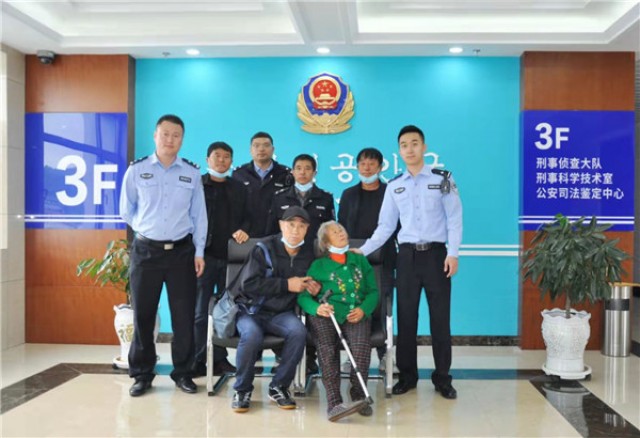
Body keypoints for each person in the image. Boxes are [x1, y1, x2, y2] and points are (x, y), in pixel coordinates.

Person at [357, 125, 462, 399]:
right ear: (399, 151)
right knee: (406, 320)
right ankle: (407, 377)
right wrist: (362, 251)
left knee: (440, 320)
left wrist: (453, 253)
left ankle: (443, 379)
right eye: (404, 145)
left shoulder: (443, 178)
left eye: (414, 143)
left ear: (423, 147)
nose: (410, 149)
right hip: (406, 258)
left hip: (437, 257)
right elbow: (385, 227)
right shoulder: (395, 185)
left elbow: (454, 218)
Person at [119, 114, 207, 397]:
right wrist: (147, 230)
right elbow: (126, 210)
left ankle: (183, 373)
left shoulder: (191, 173)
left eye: (176, 135)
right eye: (165, 134)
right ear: (155, 136)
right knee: (143, 315)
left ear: (182, 139)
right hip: (146, 253)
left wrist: (199, 251)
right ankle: (142, 374)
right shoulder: (137, 170)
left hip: (182, 253)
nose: (170, 139)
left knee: (183, 317)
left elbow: (199, 216)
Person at [231, 206, 321, 413]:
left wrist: (315, 288)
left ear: (307, 229)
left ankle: (279, 386)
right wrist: (286, 284)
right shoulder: (263, 248)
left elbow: (310, 284)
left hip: (281, 313)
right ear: (281, 225)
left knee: (298, 332)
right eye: (291, 225)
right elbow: (249, 285)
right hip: (251, 310)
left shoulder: (309, 253)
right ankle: (242, 390)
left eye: (301, 226)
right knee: (251, 335)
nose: (295, 230)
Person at [299, 221, 379, 422]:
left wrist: (363, 309)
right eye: (335, 232)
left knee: (361, 350)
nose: (341, 233)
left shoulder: (359, 260)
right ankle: (334, 402)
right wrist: (317, 308)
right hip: (327, 314)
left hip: (355, 313)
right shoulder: (318, 266)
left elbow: (373, 292)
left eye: (341, 230)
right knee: (327, 351)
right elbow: (303, 297)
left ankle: (359, 395)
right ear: (326, 243)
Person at [266, 153, 335, 373]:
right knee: (283, 305)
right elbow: (271, 230)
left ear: (314, 172)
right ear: (293, 171)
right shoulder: (279, 197)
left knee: (310, 305)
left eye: (307, 168)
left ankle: (309, 358)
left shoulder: (325, 198)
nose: (303, 172)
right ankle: (282, 356)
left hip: (314, 260)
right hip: (285, 258)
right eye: (298, 168)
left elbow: (330, 233)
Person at [192, 141, 250, 378]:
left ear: (231, 161)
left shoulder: (239, 188)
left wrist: (245, 230)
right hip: (203, 258)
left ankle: (219, 359)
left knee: (226, 311)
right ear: (208, 159)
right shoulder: (197, 185)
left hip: (231, 260)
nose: (221, 160)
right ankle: (198, 360)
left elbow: (249, 218)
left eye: (226, 157)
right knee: (200, 312)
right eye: (217, 156)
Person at [337, 147, 397, 372]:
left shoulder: (390, 192)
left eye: (372, 164)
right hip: (353, 259)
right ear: (357, 167)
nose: (367, 168)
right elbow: (341, 226)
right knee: (353, 304)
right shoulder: (348, 194)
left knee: (381, 306)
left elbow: (396, 226)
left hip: (383, 258)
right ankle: (352, 354)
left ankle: (385, 355)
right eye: (362, 163)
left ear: (380, 167)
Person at [232, 132, 292, 237]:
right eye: (256, 145)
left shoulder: (285, 174)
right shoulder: (239, 174)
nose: (261, 149)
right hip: (246, 235)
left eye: (266, 145)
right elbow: (234, 207)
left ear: (273, 149)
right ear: (250, 150)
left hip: (277, 235)